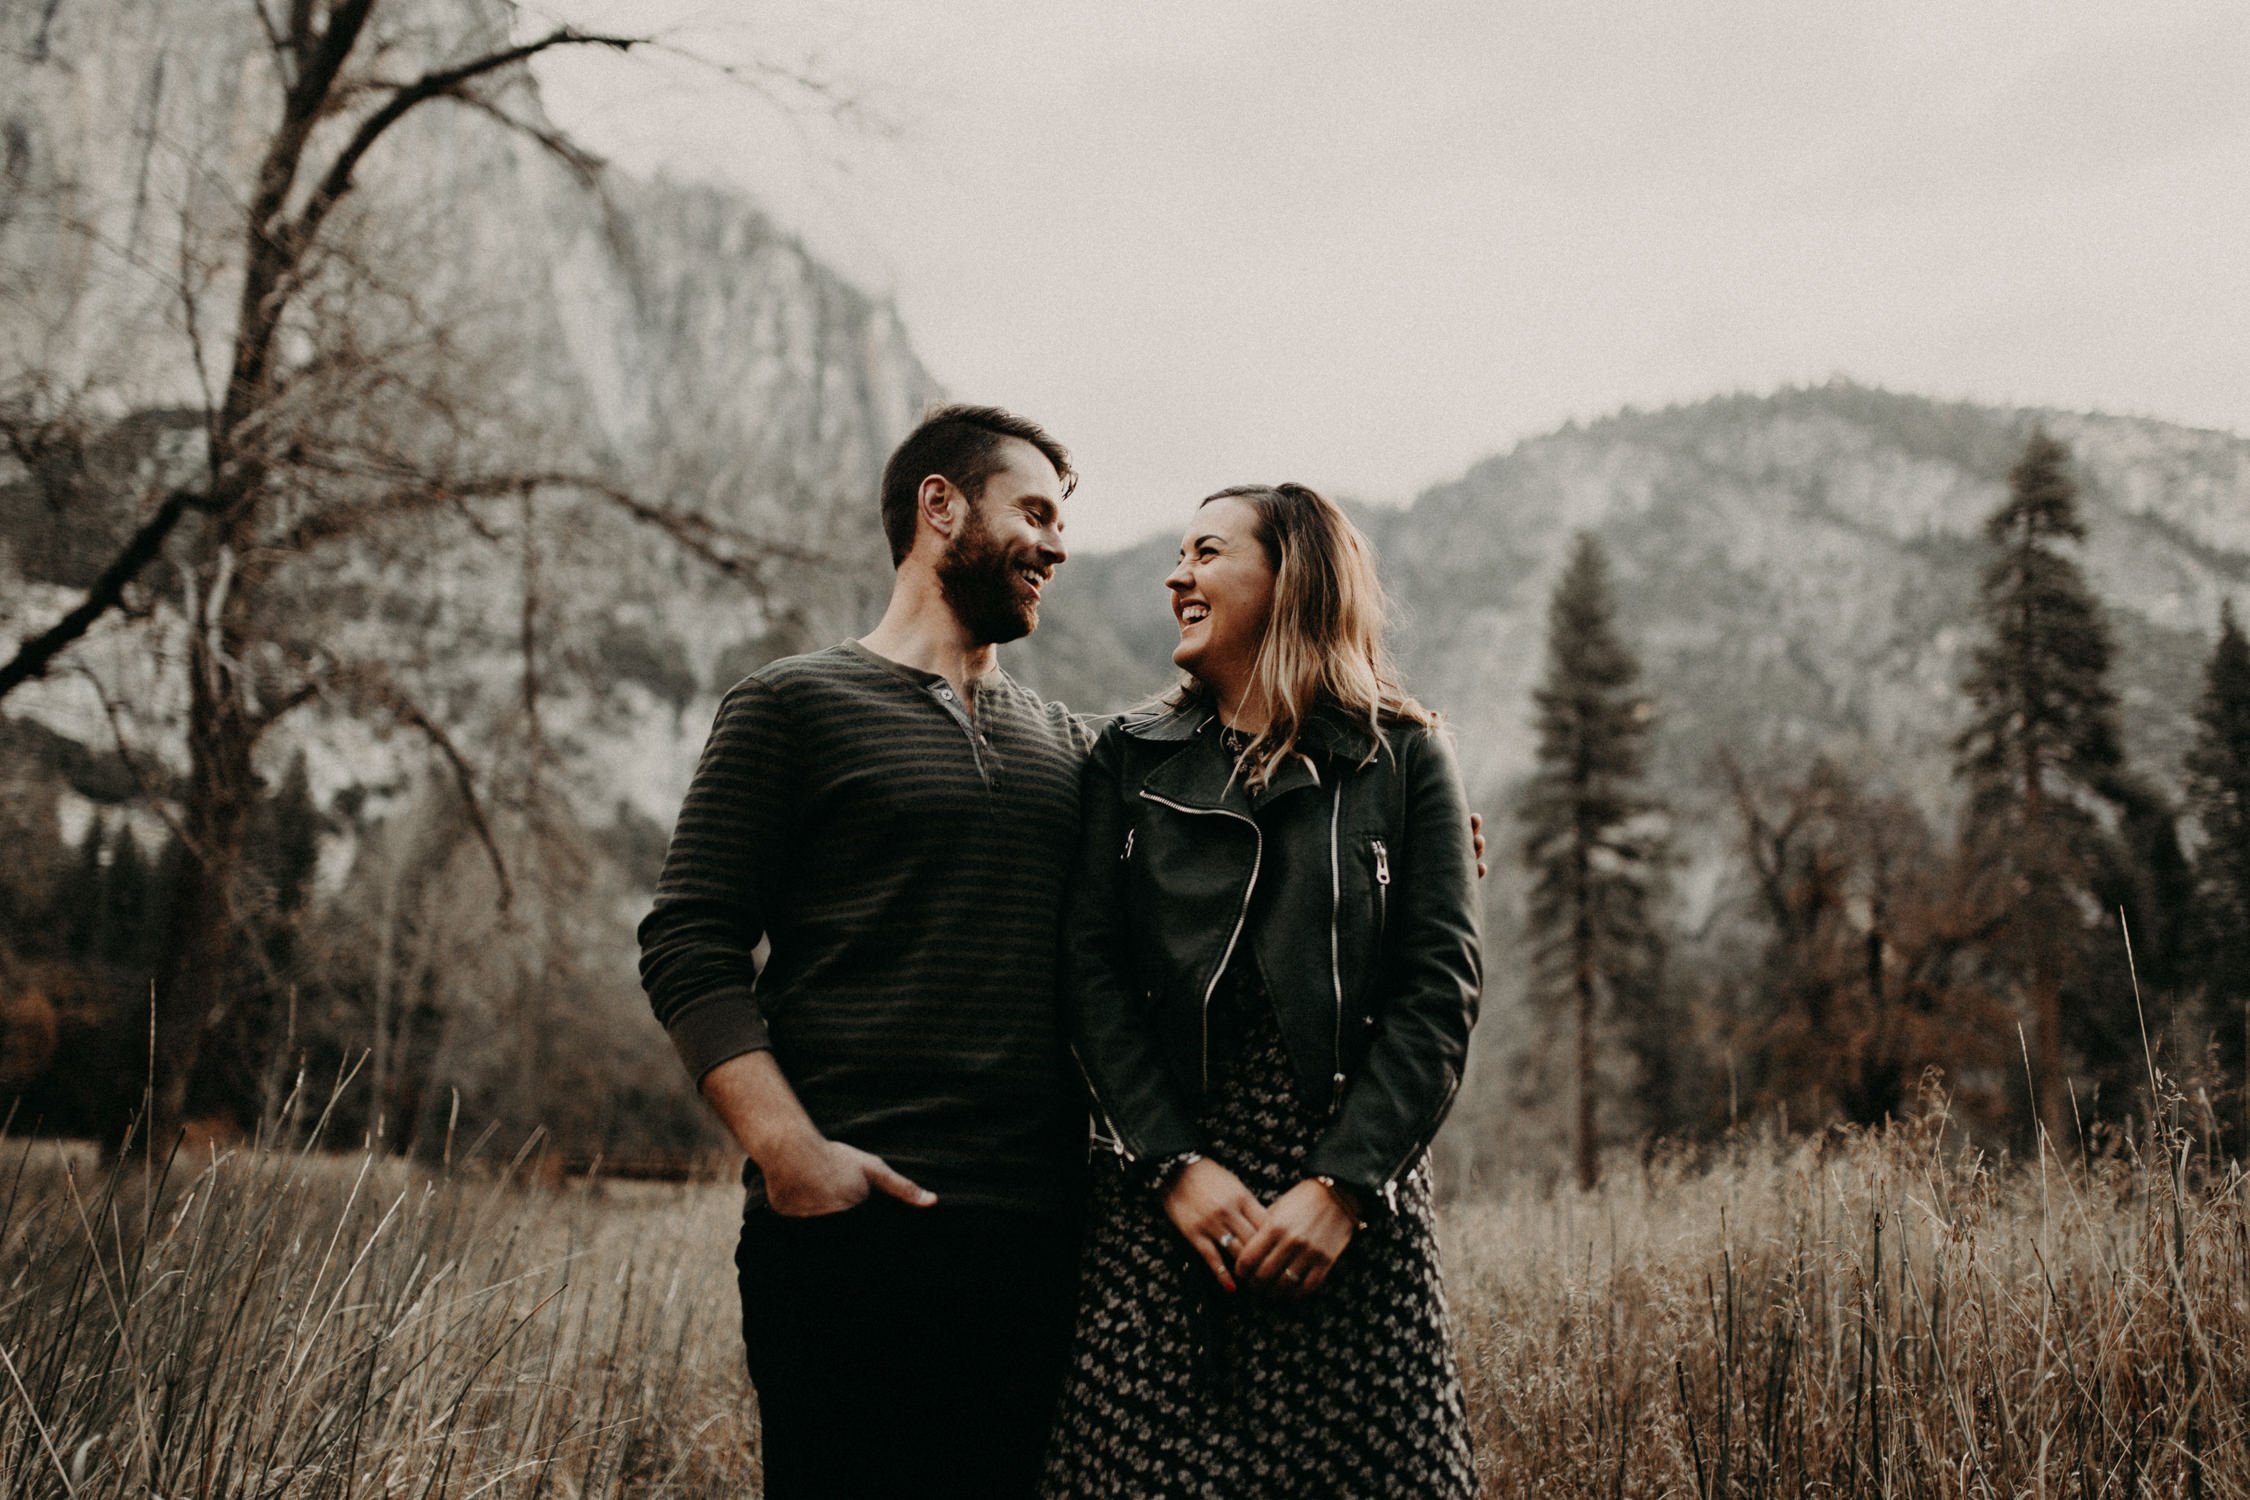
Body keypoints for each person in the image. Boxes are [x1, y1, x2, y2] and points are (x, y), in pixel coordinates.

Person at [636, 404, 1092, 1500]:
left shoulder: (1076, 748)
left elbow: (1215, 849)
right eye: (1031, 511)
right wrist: (792, 1158)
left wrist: (1403, 827)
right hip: (847, 1237)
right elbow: (688, 942)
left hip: (1038, 1247)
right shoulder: (790, 706)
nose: (1058, 545)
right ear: (941, 506)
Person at [1042, 482, 1482, 1497]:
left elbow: (1439, 989)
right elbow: (1090, 973)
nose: (1175, 576)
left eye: (1205, 553)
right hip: (1166, 1213)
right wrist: (1174, 1166)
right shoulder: (1129, 757)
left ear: (1291, 579)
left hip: (1352, 1218)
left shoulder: (1407, 757)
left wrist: (1343, 1189)